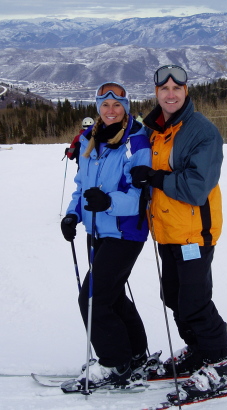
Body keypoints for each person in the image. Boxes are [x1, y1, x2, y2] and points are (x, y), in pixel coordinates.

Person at [130, 65, 227, 403]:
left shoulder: (201, 131)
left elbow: (196, 188)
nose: (171, 93)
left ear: (186, 92)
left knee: (194, 302)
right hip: (167, 232)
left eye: (177, 88)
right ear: (156, 93)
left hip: (193, 233)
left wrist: (155, 177)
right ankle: (198, 351)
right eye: (165, 88)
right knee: (173, 298)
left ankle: (220, 363)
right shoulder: (156, 130)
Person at [60, 82, 152, 392]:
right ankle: (136, 355)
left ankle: (115, 363)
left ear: (126, 106)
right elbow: (81, 186)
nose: (111, 110)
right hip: (97, 230)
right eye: (105, 104)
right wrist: (73, 213)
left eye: (117, 104)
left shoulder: (136, 140)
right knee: (112, 297)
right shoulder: (89, 139)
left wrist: (110, 202)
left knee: (92, 299)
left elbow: (141, 194)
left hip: (125, 232)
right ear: (98, 107)